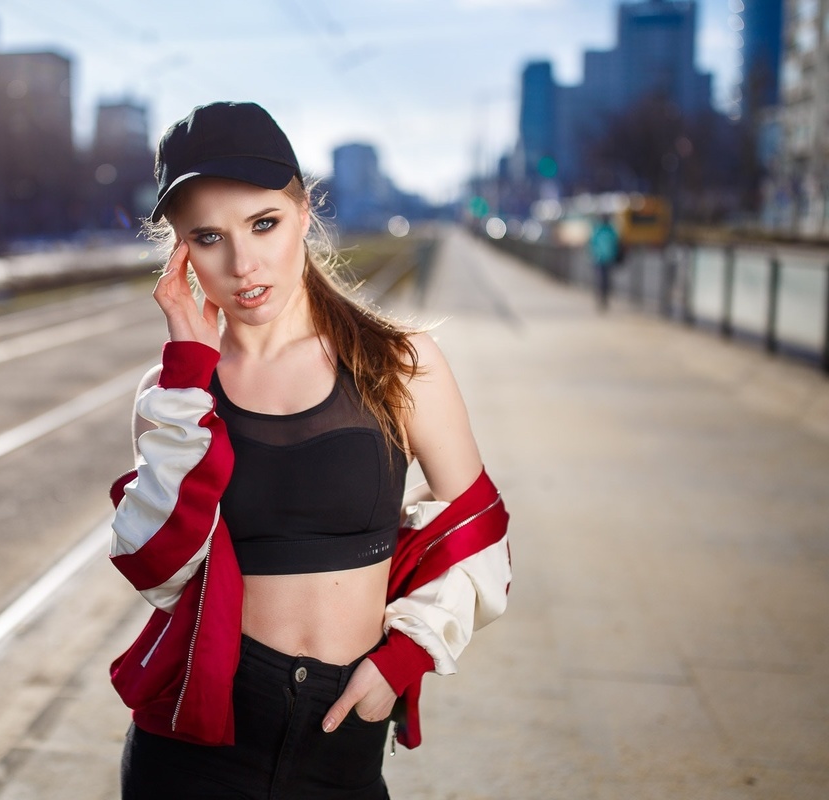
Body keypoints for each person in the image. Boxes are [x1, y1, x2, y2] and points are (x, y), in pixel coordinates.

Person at [107, 101, 511, 799]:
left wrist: (402, 661)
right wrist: (187, 371)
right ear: (178, 251)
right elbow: (157, 566)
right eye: (208, 237)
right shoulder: (174, 396)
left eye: (263, 223)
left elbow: (478, 533)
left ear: (303, 211)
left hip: (342, 734)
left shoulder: (400, 364)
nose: (242, 262)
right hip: (198, 744)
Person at [589, 214, 621, 311]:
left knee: (601, 279)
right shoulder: (611, 231)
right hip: (607, 258)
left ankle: (602, 297)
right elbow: (615, 244)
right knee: (606, 279)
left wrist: (593, 255)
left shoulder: (598, 231)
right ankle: (603, 297)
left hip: (600, 258)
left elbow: (593, 244)